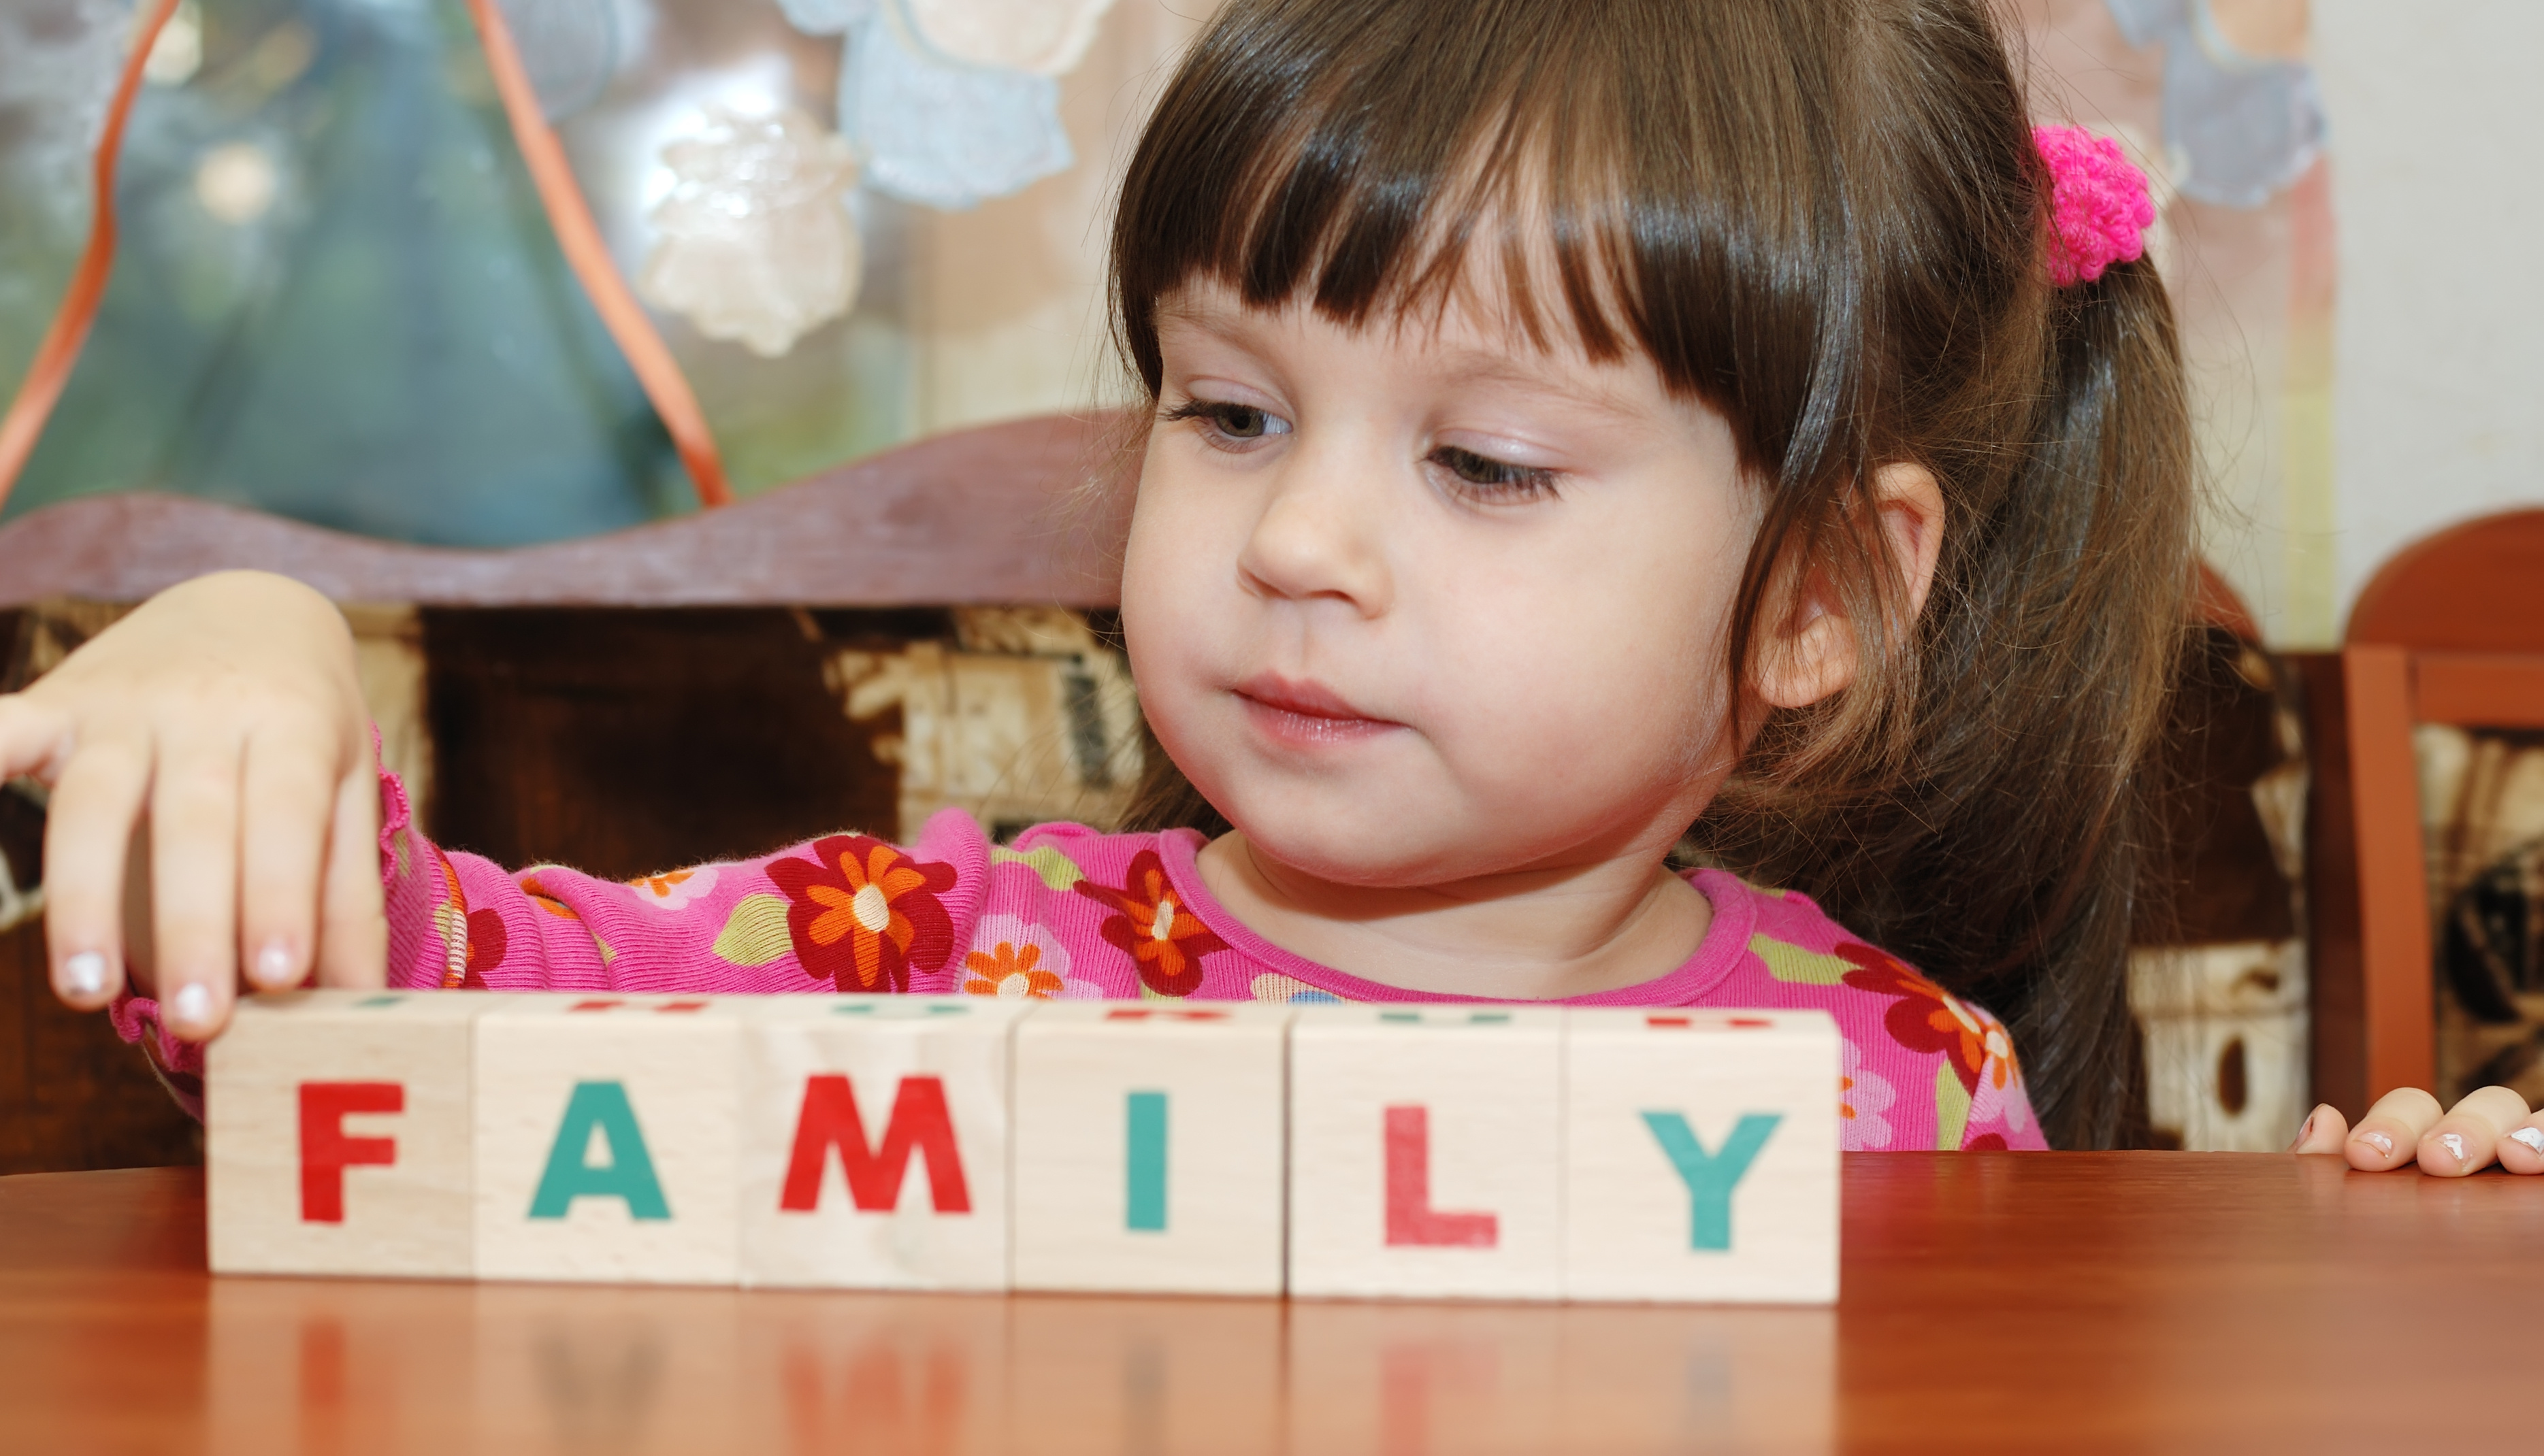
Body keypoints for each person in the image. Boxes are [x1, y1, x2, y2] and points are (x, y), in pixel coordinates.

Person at [2, 0, 2526, 1172]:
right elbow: (392, 1037)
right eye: (1225, 412)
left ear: (1820, 600)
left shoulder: (1901, 1095)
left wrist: (2417, 1249)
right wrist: (249, 673)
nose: (1296, 541)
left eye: (1485, 464)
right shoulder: (915, 964)